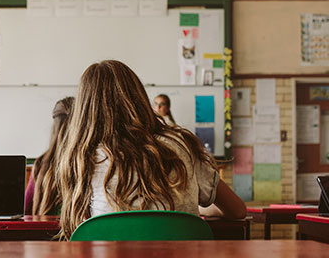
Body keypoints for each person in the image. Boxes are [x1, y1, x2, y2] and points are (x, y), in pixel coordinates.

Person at [56, 60, 246, 240]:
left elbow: (82, 229)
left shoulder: (83, 157)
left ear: (84, 109)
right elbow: (237, 210)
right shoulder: (181, 144)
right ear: (139, 98)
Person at [24, 97, 74, 215]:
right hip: (78, 231)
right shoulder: (87, 161)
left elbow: (26, 210)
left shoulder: (41, 163)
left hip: (43, 230)